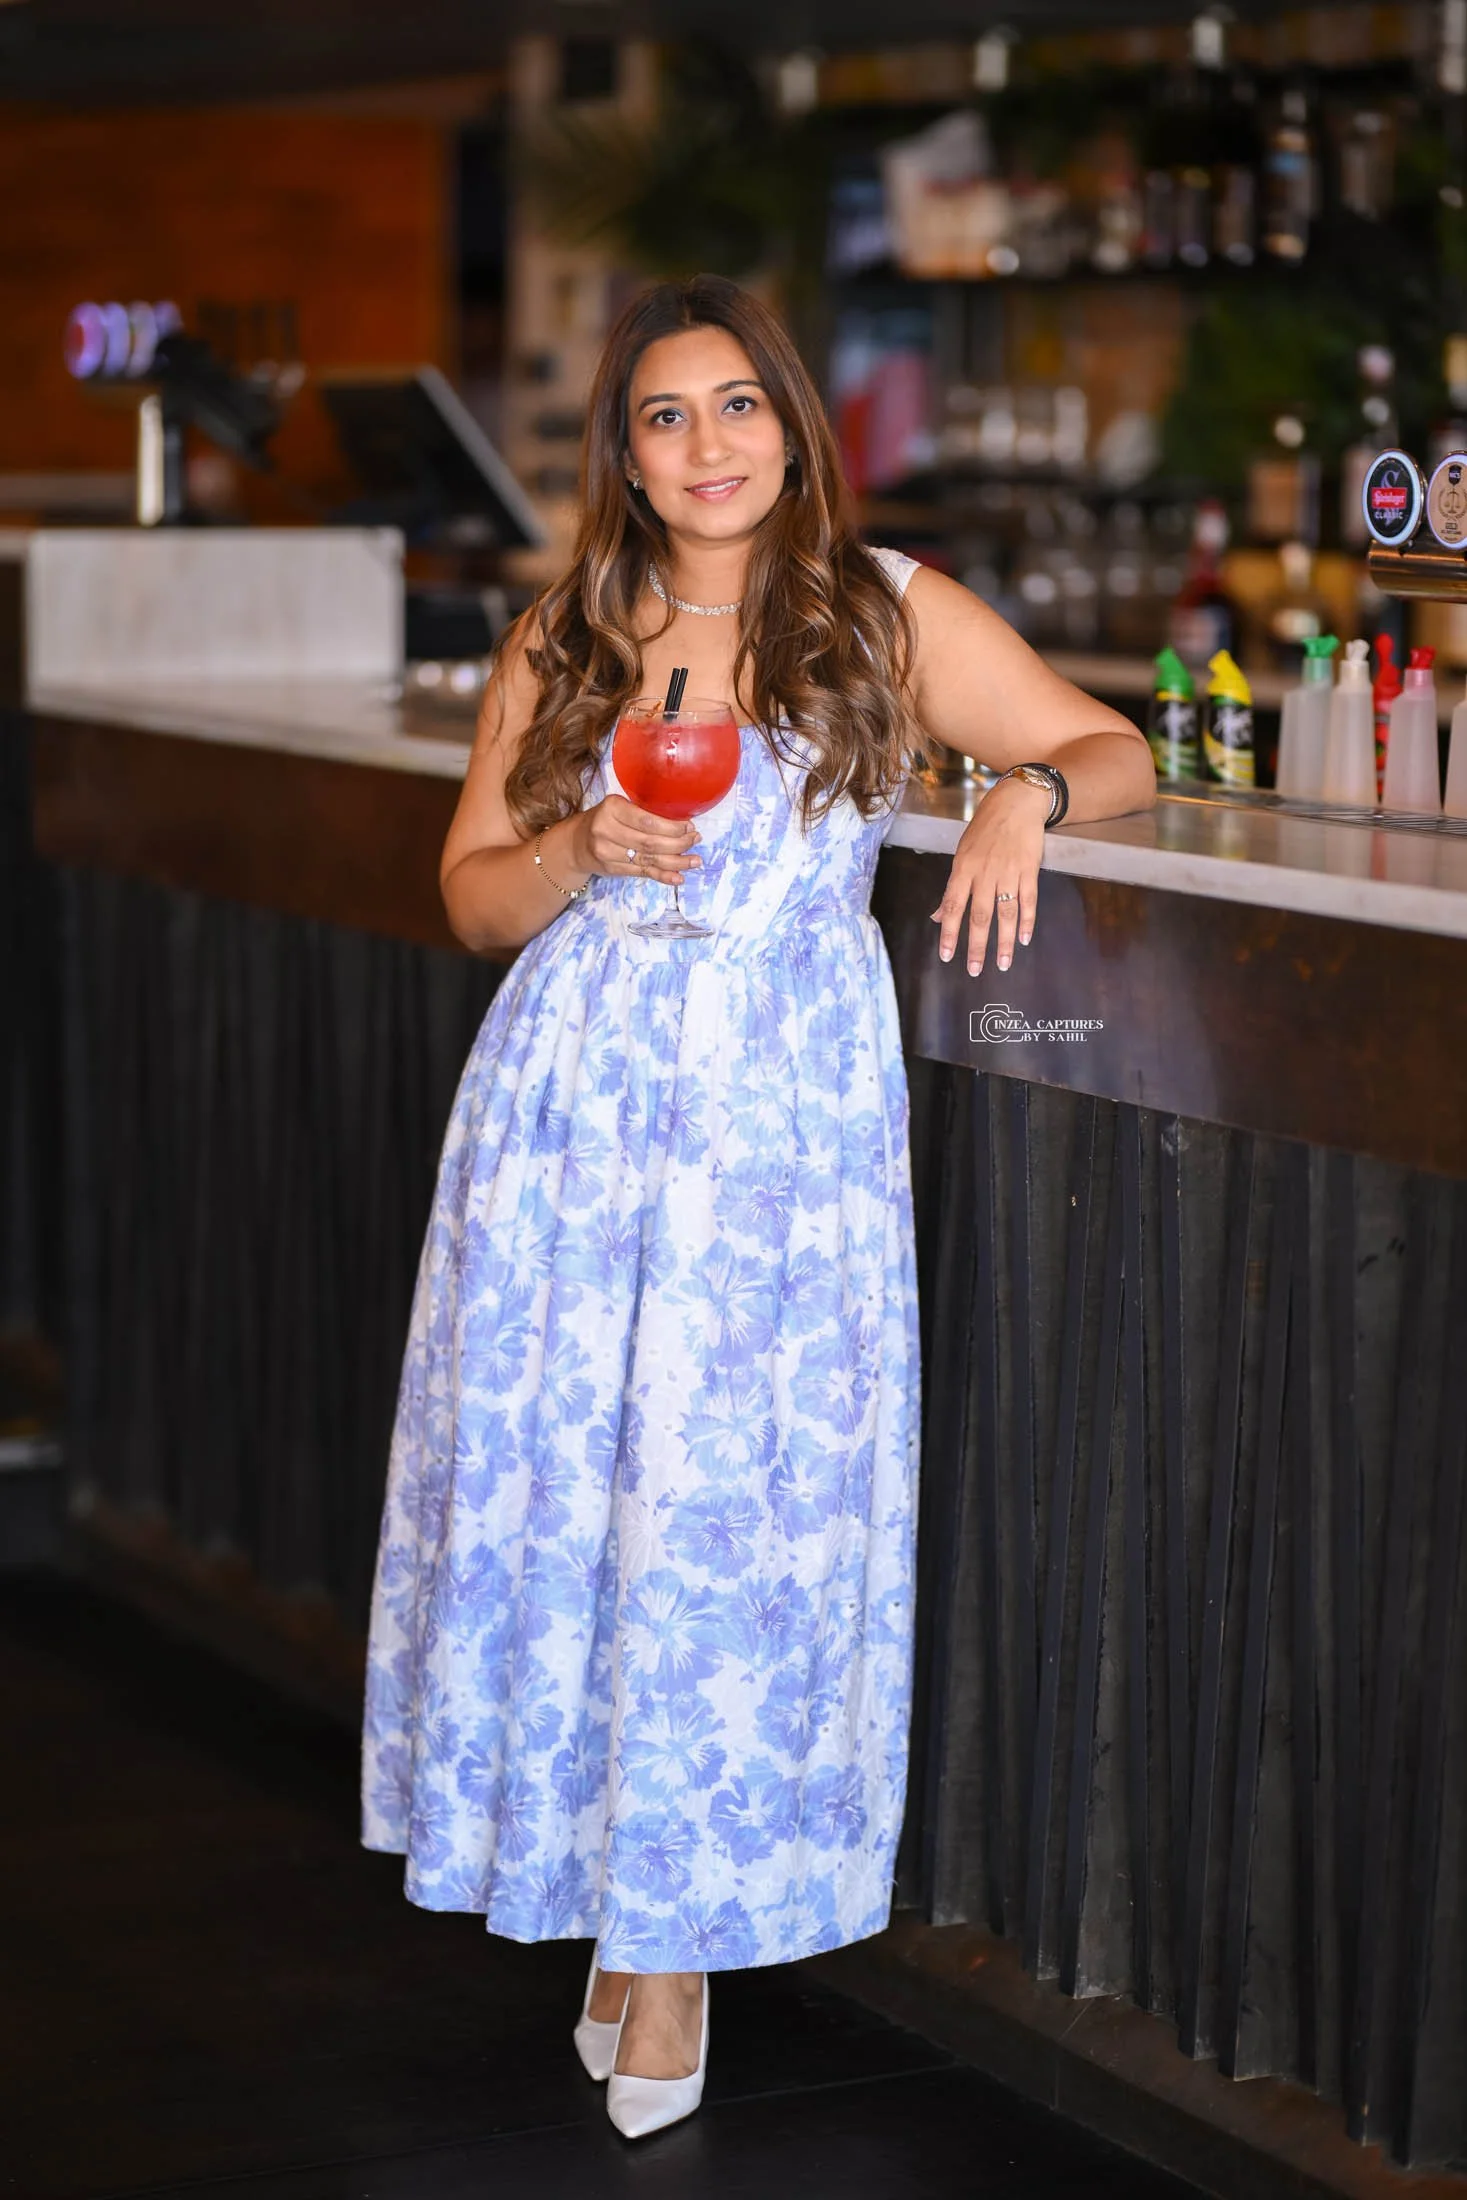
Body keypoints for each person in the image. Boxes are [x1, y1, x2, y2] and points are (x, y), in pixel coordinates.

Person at [361, 274, 1154, 2141]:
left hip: (775, 1136)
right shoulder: (568, 633)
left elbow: (1111, 744)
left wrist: (1021, 798)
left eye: (736, 406)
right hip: (571, 1111)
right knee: (582, 1508)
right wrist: (569, 849)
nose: (706, 444)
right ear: (621, 455)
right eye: (663, 415)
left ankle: (672, 1940)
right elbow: (470, 896)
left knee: (716, 1520)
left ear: (790, 426)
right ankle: (631, 1923)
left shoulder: (881, 610)